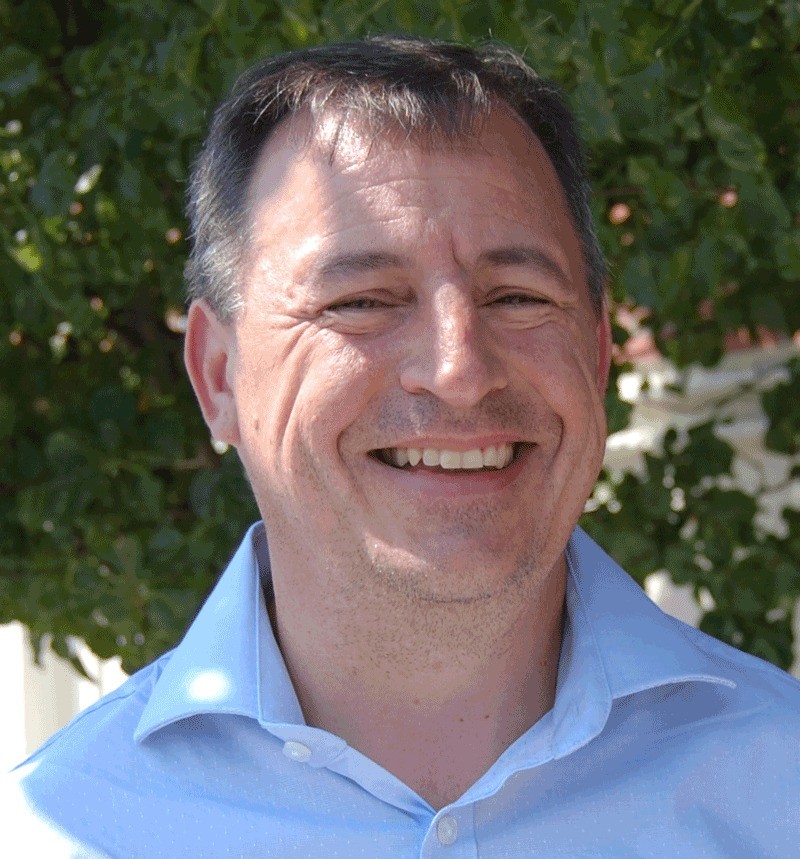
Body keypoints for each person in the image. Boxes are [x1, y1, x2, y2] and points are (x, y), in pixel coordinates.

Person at [4, 34, 799, 857]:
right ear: (219, 377)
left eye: (519, 295)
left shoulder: (784, 790)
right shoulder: (53, 832)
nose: (459, 371)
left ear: (597, 354)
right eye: (363, 301)